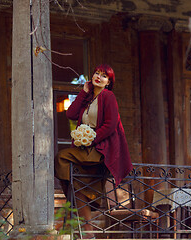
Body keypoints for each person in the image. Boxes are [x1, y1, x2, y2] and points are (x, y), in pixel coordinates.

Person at [55, 64, 133, 238]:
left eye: (104, 76)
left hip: (100, 149)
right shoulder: (88, 98)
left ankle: (72, 200)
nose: (99, 77)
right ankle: (88, 234)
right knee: (78, 186)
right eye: (97, 73)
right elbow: (70, 114)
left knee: (62, 156)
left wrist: (92, 137)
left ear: (108, 82)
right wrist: (83, 92)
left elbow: (110, 125)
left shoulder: (108, 96)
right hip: (85, 148)